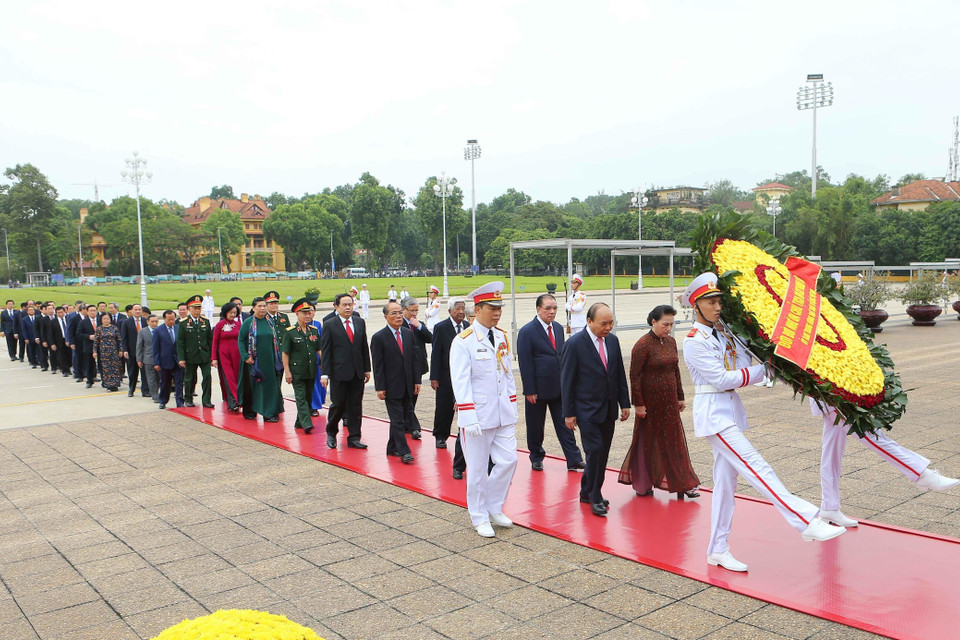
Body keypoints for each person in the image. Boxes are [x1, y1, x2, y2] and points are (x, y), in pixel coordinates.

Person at [681, 272, 845, 574]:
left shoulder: (724, 333)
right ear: (696, 305)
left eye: (718, 301)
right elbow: (721, 379)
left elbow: (746, 363)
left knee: (726, 485)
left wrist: (774, 364)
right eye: (710, 302)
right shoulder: (694, 341)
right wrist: (762, 371)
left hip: (729, 410)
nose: (717, 307)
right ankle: (806, 520)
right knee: (758, 468)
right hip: (714, 416)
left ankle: (718, 548)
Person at [810, 398, 959, 528]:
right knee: (871, 435)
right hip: (831, 396)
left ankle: (829, 507)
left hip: (832, 394)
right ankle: (921, 474)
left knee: (832, 452)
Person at [450, 281, 518, 537]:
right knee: (477, 470)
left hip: (502, 413)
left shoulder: (501, 336)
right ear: (477, 310)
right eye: (492, 308)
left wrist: (512, 406)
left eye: (499, 307)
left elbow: (507, 374)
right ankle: (479, 516)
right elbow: (460, 381)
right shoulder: (464, 341)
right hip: (477, 415)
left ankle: (494, 506)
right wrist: (468, 416)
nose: (497, 312)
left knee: (509, 460)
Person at [619, 304, 700, 499]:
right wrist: (638, 403)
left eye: (672, 324)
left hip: (669, 402)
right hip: (650, 404)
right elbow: (635, 376)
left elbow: (676, 370)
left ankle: (683, 483)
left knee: (674, 441)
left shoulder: (671, 342)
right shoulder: (643, 344)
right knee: (646, 442)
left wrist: (680, 396)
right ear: (653, 322)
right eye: (665, 324)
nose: (669, 328)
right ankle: (643, 483)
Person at [560, 303, 631, 517]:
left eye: (611, 322)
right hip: (586, 410)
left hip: (608, 408)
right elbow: (567, 381)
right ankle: (595, 495)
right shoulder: (574, 344)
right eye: (603, 323)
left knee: (602, 453)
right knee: (595, 451)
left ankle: (585, 490)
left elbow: (618, 373)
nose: (608, 327)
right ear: (589, 322)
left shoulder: (613, 341)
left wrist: (624, 403)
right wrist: (568, 413)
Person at [518, 293, 585, 472]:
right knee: (535, 426)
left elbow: (560, 356)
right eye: (548, 308)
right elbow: (525, 363)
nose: (552, 311)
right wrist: (529, 389)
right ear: (539, 309)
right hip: (537, 389)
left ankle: (574, 459)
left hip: (558, 387)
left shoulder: (557, 328)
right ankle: (536, 457)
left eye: (555, 308)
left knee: (566, 423)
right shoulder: (527, 331)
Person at [320, 293, 371, 449]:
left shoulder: (359, 322)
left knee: (356, 406)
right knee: (338, 404)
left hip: (357, 371)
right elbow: (326, 351)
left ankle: (354, 437)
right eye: (344, 305)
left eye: (350, 304)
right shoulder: (329, 324)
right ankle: (331, 432)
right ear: (336, 307)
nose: (348, 307)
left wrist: (367, 369)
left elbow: (363, 347)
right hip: (339, 372)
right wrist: (325, 374)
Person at [371, 301, 420, 463]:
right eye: (394, 313)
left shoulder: (408, 334)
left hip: (407, 385)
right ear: (386, 317)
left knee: (403, 418)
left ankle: (392, 447)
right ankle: (404, 451)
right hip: (391, 386)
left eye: (400, 312)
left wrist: (417, 381)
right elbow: (377, 365)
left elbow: (414, 360)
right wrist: (380, 387)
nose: (398, 316)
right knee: (398, 420)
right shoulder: (379, 337)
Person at [430, 298, 469, 454]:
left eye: (463, 308)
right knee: (444, 407)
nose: (461, 312)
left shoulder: (468, 326)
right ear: (450, 311)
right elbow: (436, 353)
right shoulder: (441, 327)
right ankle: (440, 435)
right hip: (446, 375)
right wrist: (434, 377)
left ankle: (464, 435)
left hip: (463, 375)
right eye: (458, 309)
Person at [238, 297, 285, 422]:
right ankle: (250, 411)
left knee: (270, 386)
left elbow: (276, 340)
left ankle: (269, 412)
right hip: (253, 362)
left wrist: (279, 358)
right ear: (253, 308)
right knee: (253, 387)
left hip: (270, 360)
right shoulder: (248, 323)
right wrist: (245, 356)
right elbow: (241, 340)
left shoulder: (270, 322)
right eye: (259, 306)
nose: (263, 308)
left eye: (264, 306)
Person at [282, 298, 322, 434]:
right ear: (297, 314)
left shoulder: (314, 330)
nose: (307, 315)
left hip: (311, 370)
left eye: (309, 312)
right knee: (300, 397)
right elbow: (285, 353)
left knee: (308, 397)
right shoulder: (290, 331)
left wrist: (324, 365)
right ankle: (307, 423)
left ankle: (299, 422)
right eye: (304, 313)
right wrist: (287, 371)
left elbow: (319, 349)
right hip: (297, 370)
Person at [401, 296, 432, 440]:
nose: (414, 314)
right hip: (404, 367)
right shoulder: (398, 323)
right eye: (411, 311)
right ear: (403, 310)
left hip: (418, 366)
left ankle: (407, 423)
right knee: (406, 397)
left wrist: (419, 326)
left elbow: (431, 338)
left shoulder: (418, 324)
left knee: (414, 395)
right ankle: (414, 427)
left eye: (416, 311)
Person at [178, 295, 214, 409]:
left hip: (204, 355)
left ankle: (206, 400)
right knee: (189, 378)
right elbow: (180, 342)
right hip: (190, 355)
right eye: (195, 308)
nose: (197, 310)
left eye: (199, 308)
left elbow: (210, 340)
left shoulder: (205, 321)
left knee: (207, 376)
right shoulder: (183, 323)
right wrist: (181, 358)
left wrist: (212, 356)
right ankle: (188, 399)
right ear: (189, 309)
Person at [212, 302, 243, 412]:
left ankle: (239, 400)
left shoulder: (238, 324)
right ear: (225, 313)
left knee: (237, 378)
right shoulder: (220, 325)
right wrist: (214, 358)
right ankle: (232, 403)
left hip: (237, 355)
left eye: (235, 313)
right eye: (231, 313)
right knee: (228, 379)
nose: (233, 315)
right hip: (224, 356)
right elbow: (215, 342)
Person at [153, 310, 184, 409]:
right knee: (165, 383)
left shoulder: (178, 328)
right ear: (164, 319)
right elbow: (156, 348)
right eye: (169, 319)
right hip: (165, 361)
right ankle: (163, 400)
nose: (171, 321)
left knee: (179, 382)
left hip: (178, 360)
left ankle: (179, 401)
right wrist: (156, 362)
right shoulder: (158, 331)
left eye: (173, 319)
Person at [121, 304, 149, 397]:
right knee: (133, 372)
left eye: (139, 309)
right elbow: (124, 337)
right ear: (131, 311)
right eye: (135, 310)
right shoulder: (126, 322)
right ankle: (131, 389)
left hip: (144, 351)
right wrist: (125, 350)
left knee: (145, 372)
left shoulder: (146, 321)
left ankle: (145, 390)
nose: (137, 311)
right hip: (132, 351)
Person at [94, 313, 123, 392]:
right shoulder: (99, 329)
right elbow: (96, 341)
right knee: (106, 368)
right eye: (104, 319)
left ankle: (115, 384)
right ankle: (108, 384)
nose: (106, 320)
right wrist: (95, 351)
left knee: (115, 368)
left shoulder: (114, 328)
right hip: (103, 352)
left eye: (107, 319)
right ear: (101, 320)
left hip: (114, 351)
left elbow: (119, 340)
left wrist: (120, 350)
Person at [137, 314, 161, 403]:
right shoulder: (142, 332)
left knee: (158, 378)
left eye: (156, 321)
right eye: (152, 321)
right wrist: (139, 359)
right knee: (151, 379)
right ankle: (155, 395)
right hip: (148, 358)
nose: (154, 323)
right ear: (148, 322)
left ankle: (157, 392)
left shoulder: (160, 330)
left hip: (159, 358)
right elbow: (139, 346)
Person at [76, 305, 99, 387]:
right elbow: (79, 334)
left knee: (103, 364)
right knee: (89, 364)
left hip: (101, 346)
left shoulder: (100, 320)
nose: (93, 312)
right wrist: (89, 336)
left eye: (94, 310)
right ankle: (89, 381)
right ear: (87, 312)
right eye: (91, 311)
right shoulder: (83, 322)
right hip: (89, 346)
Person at [308, 312, 326, 416]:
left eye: (311, 311)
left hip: (318, 357)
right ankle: (311, 406)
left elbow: (322, 342)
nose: (309, 314)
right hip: (307, 359)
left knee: (319, 384)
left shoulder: (317, 324)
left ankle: (316, 405)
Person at [49, 306, 72, 377]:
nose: (61, 314)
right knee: (62, 356)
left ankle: (69, 368)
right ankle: (65, 370)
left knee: (69, 355)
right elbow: (50, 333)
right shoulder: (53, 322)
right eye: (58, 313)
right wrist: (52, 343)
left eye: (62, 312)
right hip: (59, 340)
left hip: (68, 339)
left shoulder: (69, 319)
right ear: (56, 313)